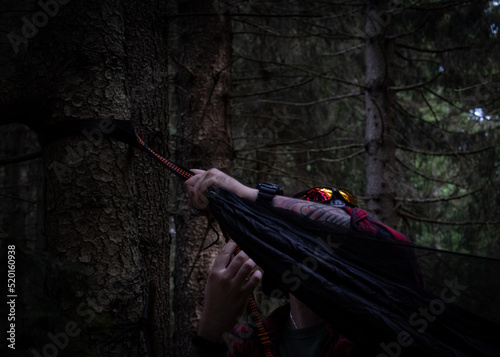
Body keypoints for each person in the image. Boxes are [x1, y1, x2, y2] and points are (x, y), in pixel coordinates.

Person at [185, 169, 367, 357]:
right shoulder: (248, 343)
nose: (324, 250)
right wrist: (210, 333)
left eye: (340, 241)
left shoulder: (375, 334)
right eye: (311, 234)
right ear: (282, 244)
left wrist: (252, 197)